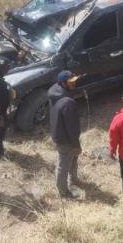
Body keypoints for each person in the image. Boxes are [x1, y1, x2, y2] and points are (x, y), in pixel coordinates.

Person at [48, 70, 82, 198]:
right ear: (63, 83)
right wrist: (76, 145)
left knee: (72, 159)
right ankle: (63, 192)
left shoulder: (54, 91)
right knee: (64, 165)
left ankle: (74, 179)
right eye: (71, 83)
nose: (74, 84)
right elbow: (71, 128)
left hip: (58, 132)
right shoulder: (67, 102)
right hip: (66, 139)